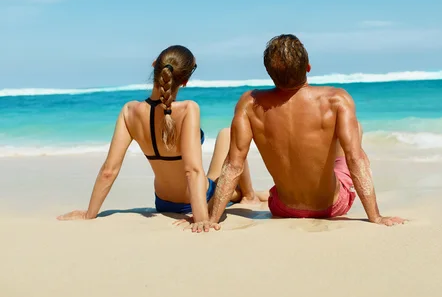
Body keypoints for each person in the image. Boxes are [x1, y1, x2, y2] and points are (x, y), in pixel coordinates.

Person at [206, 34, 406, 230]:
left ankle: (253, 195)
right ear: (308, 67)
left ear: (269, 72)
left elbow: (233, 165)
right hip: (332, 206)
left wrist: (212, 219)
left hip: (282, 208)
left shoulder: (249, 103)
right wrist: (375, 217)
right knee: (355, 131)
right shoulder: (336, 99)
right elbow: (355, 159)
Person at [58, 45, 267, 232]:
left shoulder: (129, 111)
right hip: (200, 199)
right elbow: (192, 170)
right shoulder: (188, 109)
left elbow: (109, 170)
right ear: (184, 81)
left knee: (224, 139)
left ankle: (250, 194)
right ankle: (248, 196)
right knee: (229, 135)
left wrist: (89, 214)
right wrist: (201, 219)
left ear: (154, 66)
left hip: (163, 202)